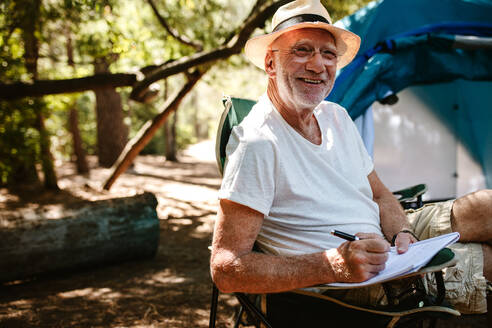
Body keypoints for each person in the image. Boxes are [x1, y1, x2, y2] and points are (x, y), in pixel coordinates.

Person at [210, 0, 492, 318]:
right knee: (488, 260)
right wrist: (333, 264)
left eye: (328, 54)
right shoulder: (257, 142)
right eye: (302, 50)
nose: (318, 66)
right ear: (271, 64)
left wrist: (404, 233)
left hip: (392, 241)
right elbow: (227, 269)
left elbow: (380, 194)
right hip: (356, 276)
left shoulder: (337, 117)